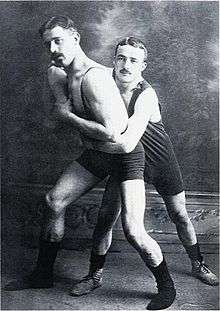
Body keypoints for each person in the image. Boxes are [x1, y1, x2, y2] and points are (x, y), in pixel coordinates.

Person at [5, 17, 177, 310]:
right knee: (54, 200)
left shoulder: (95, 78)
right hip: (100, 151)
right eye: (48, 43)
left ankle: (166, 286)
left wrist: (70, 118)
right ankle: (43, 274)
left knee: (133, 230)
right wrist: (67, 116)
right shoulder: (56, 73)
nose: (53, 48)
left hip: (126, 154)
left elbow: (116, 136)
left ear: (76, 38)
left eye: (59, 40)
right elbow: (62, 110)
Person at [70, 37, 219, 302]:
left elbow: (126, 140)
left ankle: (198, 264)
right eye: (121, 58)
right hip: (126, 161)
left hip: (158, 158)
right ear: (113, 61)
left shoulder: (146, 95)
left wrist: (87, 134)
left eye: (133, 60)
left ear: (143, 66)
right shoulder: (104, 85)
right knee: (105, 219)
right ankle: (94, 275)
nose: (126, 65)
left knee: (180, 215)